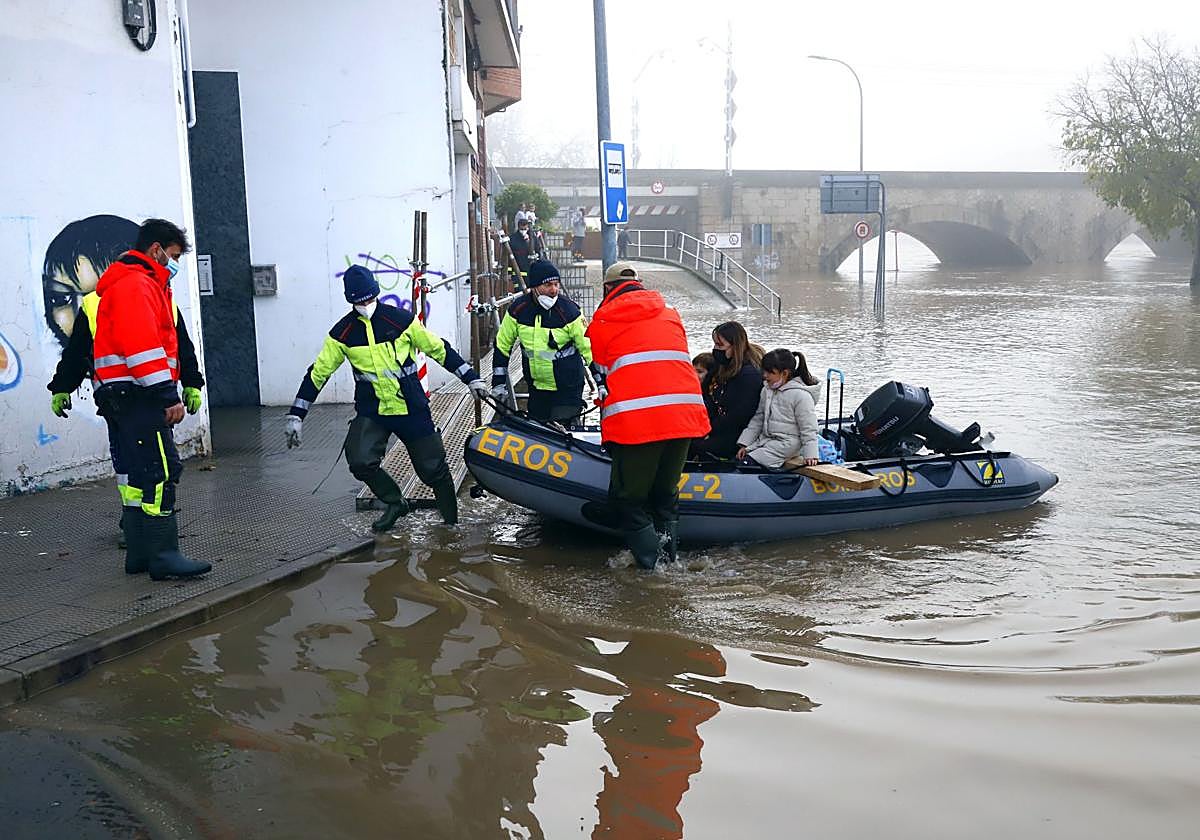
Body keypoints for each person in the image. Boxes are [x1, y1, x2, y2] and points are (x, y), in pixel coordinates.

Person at [284, 265, 489, 530]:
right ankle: (395, 503)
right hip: (373, 411)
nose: (366, 304)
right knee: (359, 460)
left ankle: (451, 527)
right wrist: (296, 415)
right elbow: (318, 374)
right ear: (351, 301)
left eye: (369, 298)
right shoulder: (342, 334)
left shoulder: (401, 320)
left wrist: (471, 378)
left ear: (376, 294)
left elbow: (439, 350)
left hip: (411, 408)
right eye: (360, 301)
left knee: (433, 470)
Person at [47, 266, 206, 549]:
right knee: (153, 465)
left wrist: (192, 382)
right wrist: (61, 386)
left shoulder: (161, 300)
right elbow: (78, 352)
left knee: (132, 463)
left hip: (124, 400)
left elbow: (181, 345)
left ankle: (135, 529)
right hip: (144, 399)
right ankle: (150, 533)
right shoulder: (100, 302)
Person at [91, 219, 211, 580]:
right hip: (140, 396)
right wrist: (166, 395)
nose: (174, 265)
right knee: (161, 471)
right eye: (172, 256)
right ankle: (164, 555)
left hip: (120, 395)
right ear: (156, 250)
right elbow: (143, 348)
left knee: (136, 473)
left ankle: (140, 555)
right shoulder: (137, 285)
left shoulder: (128, 284)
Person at [586, 262, 710, 570]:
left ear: (606, 289)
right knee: (664, 494)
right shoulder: (670, 313)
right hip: (684, 415)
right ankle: (671, 561)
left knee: (627, 499)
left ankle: (653, 570)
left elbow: (599, 365)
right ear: (640, 284)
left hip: (639, 421)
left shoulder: (604, 319)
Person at [491, 259, 598, 425]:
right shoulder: (519, 310)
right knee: (540, 434)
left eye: (556, 284)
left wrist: (601, 381)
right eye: (548, 285)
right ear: (534, 287)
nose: (554, 290)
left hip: (567, 387)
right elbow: (502, 346)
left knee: (565, 434)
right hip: (537, 387)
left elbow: (589, 348)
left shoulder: (569, 311)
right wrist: (498, 383)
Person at [735, 348, 822, 469]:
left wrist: (811, 454)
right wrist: (745, 444)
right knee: (740, 458)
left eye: (770, 373)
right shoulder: (767, 390)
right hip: (768, 440)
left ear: (784, 373)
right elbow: (758, 419)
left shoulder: (801, 396)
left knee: (747, 464)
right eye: (764, 371)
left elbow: (809, 428)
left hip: (788, 444)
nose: (765, 376)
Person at [690, 321, 763, 460]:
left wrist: (710, 430)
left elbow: (740, 415)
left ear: (735, 347)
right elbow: (711, 399)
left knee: (696, 446)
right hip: (719, 426)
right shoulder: (722, 367)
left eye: (720, 345)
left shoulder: (749, 375)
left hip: (738, 434)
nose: (715, 349)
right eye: (715, 344)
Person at [508, 217, 536, 284]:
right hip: (517, 274)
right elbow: (508, 257)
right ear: (518, 227)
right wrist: (509, 272)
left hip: (531, 274)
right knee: (519, 292)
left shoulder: (533, 238)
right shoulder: (513, 239)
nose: (523, 231)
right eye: (522, 229)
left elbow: (538, 251)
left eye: (525, 229)